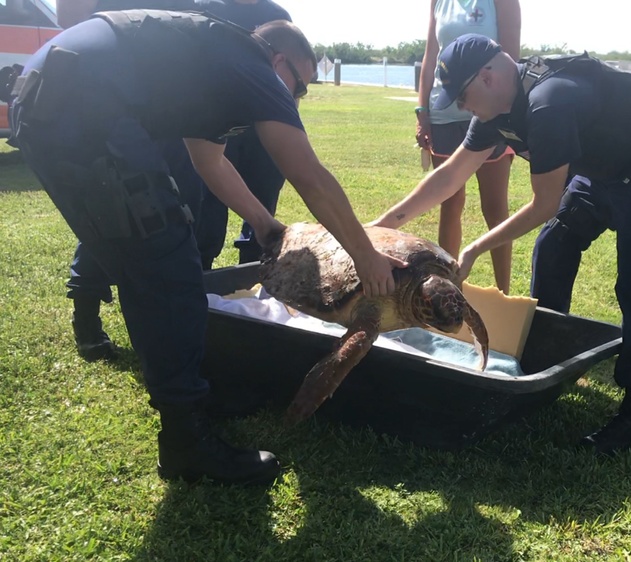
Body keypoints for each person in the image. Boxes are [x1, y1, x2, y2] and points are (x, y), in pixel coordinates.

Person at [4, 11, 404, 485]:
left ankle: (190, 402)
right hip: (79, 101)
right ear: (279, 61)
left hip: (49, 95)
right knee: (165, 264)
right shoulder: (252, 69)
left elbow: (207, 160)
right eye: (299, 86)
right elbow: (310, 177)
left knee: (145, 259)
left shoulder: (215, 65)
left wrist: (263, 224)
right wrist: (366, 255)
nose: (293, 98)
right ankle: (186, 443)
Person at [371, 34, 631, 456]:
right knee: (555, 247)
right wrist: (380, 226)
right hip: (601, 169)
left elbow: (544, 204)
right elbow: (449, 176)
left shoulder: (549, 101)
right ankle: (549, 365)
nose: (462, 107)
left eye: (463, 96)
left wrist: (473, 249)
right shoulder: (496, 108)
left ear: (488, 77)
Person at [56, 0, 203, 362]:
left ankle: (192, 319)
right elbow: (73, 24)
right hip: (113, 98)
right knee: (113, 207)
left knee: (181, 210)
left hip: (170, 106)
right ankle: (86, 319)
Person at [415, 0, 519, 293]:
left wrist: (504, 115)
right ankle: (446, 290)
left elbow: (511, 58)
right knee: (450, 203)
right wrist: (422, 110)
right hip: (446, 115)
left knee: (495, 208)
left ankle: (504, 294)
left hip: (491, 116)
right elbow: (431, 55)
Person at [194, 0, 293, 270]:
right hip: (214, 127)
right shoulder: (206, 7)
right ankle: (201, 278)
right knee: (209, 210)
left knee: (262, 204)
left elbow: (285, 82)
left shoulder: (277, 15)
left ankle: (254, 278)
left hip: (262, 131)